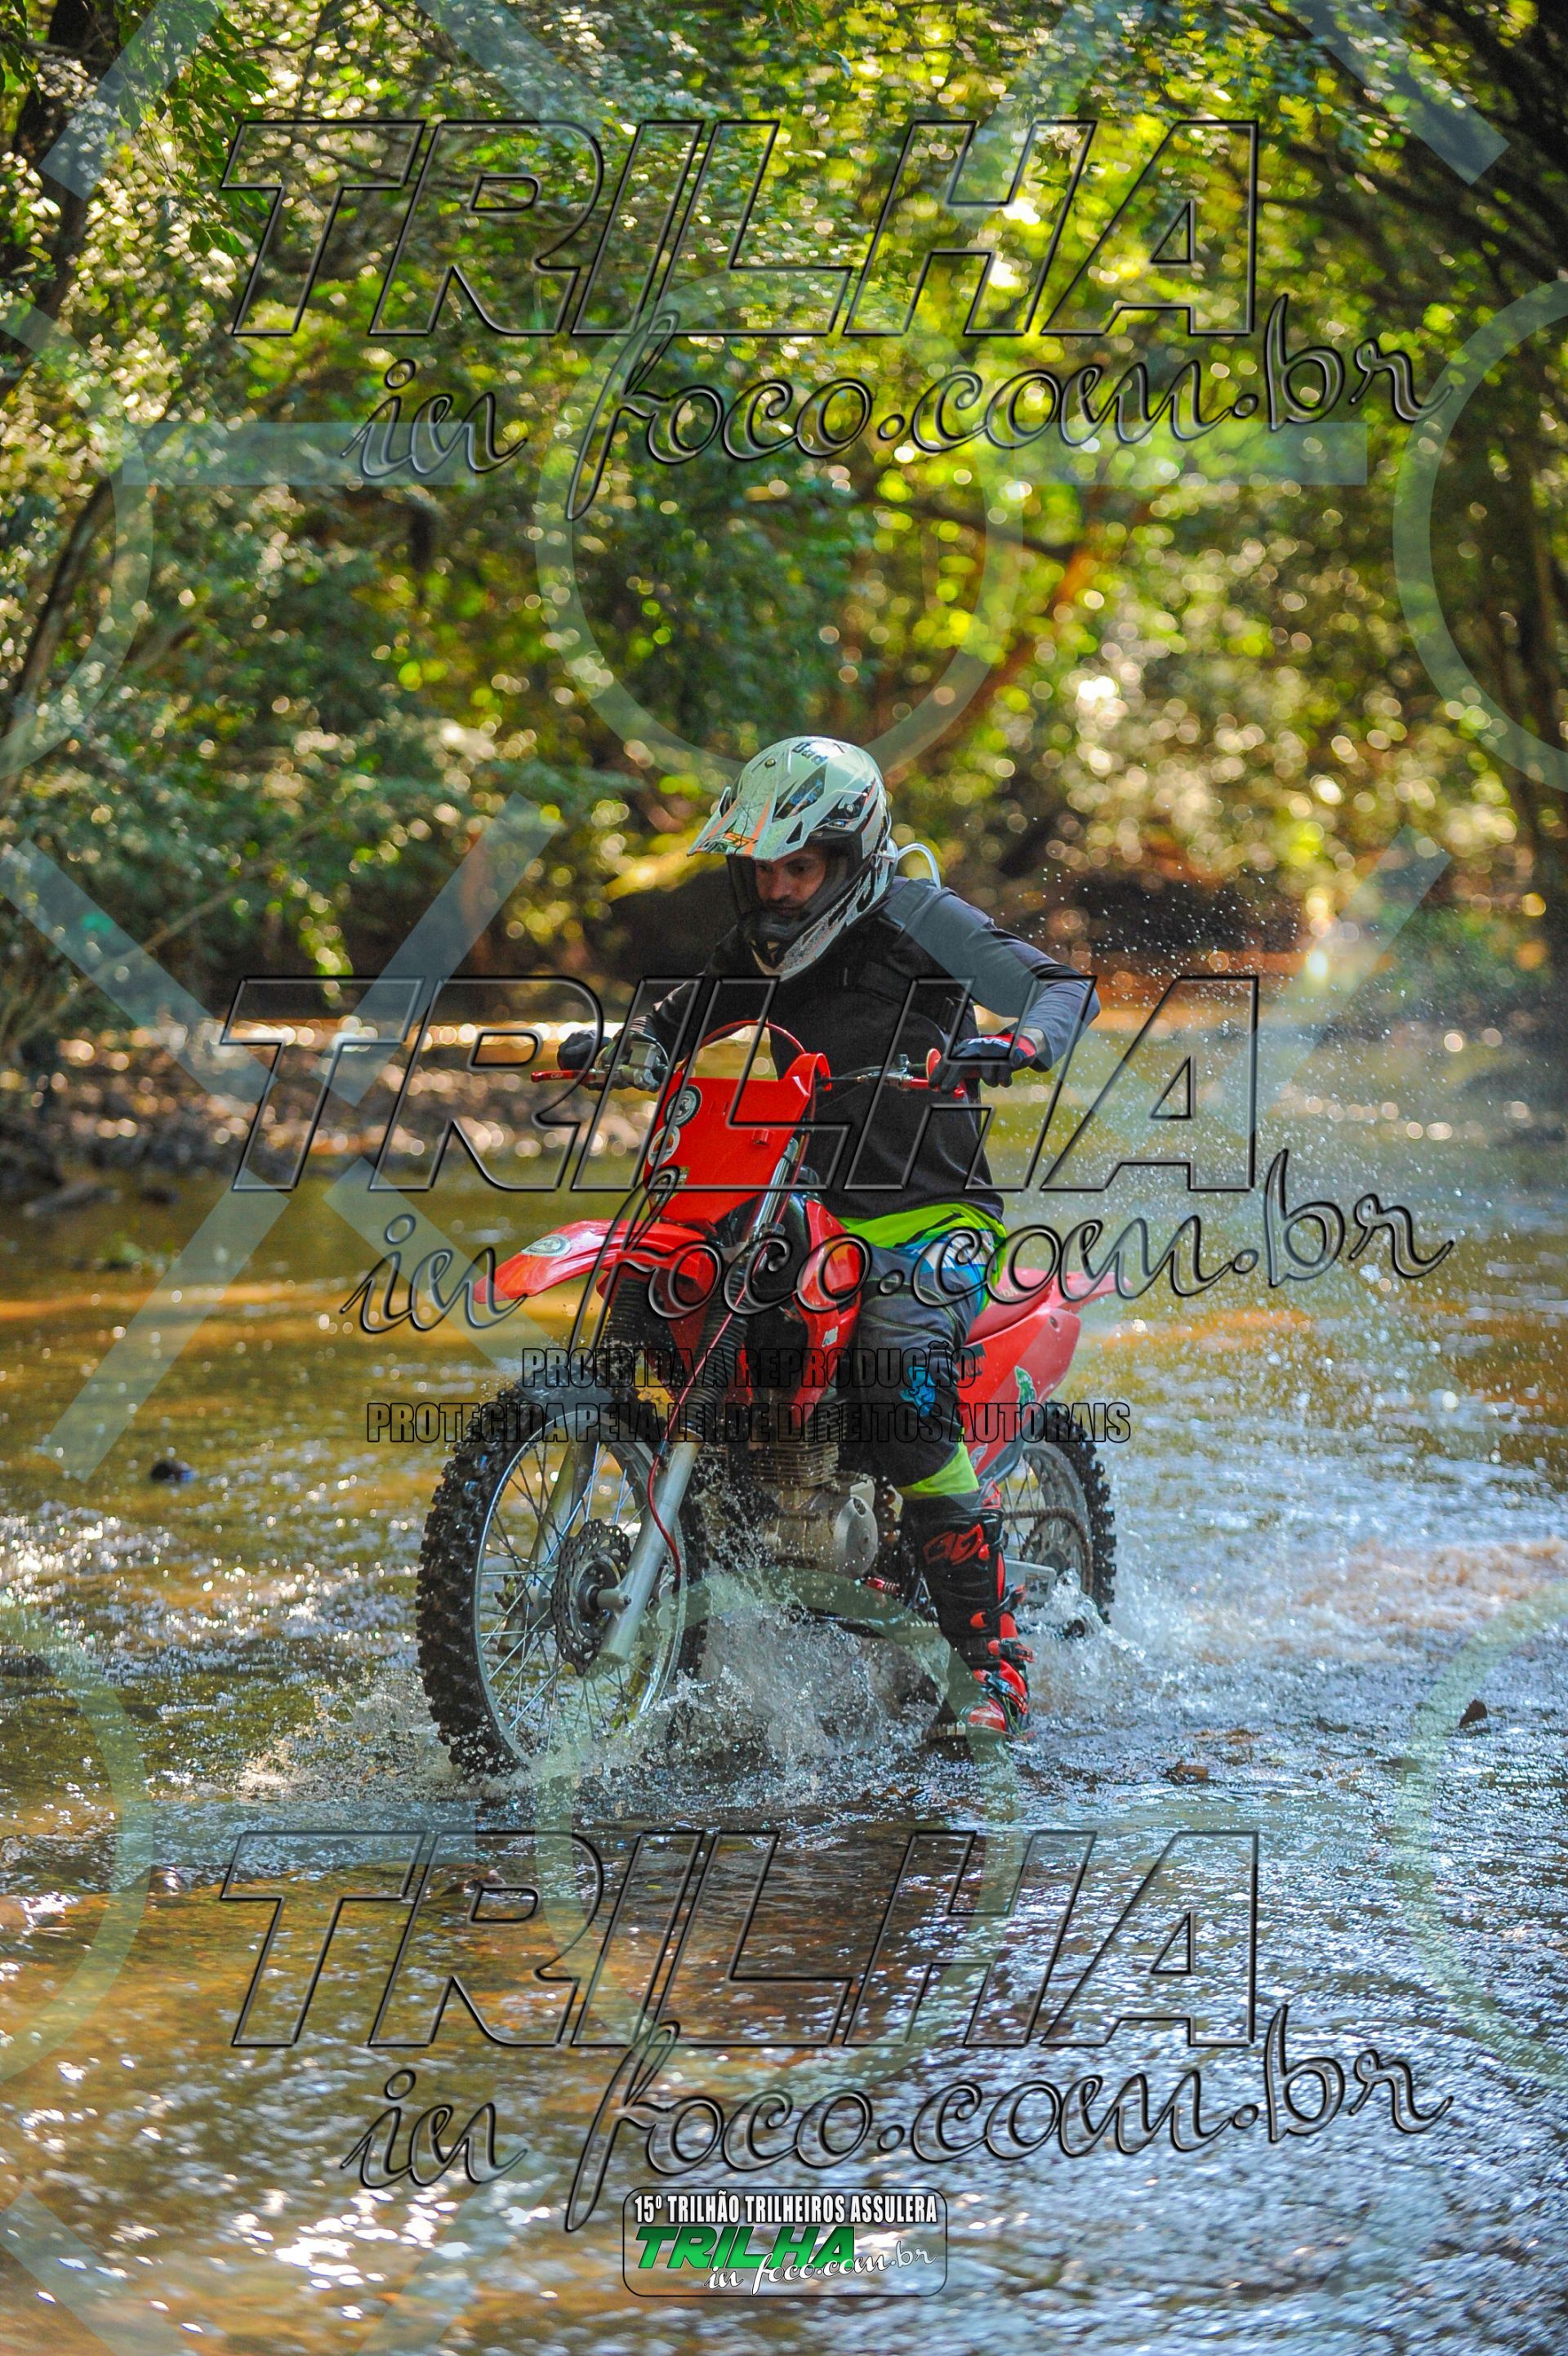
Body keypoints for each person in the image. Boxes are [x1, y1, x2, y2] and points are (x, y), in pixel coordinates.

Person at [564, 735, 1098, 1737]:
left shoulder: (918, 917)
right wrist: (621, 1050)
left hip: (932, 1213)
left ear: (851, 858)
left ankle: (992, 1670)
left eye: (800, 868)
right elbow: (675, 1027)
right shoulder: (756, 948)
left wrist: (1022, 1040)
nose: (777, 890)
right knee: (679, 1311)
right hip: (793, 1207)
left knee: (897, 1375)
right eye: (763, 870)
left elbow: (1061, 987)